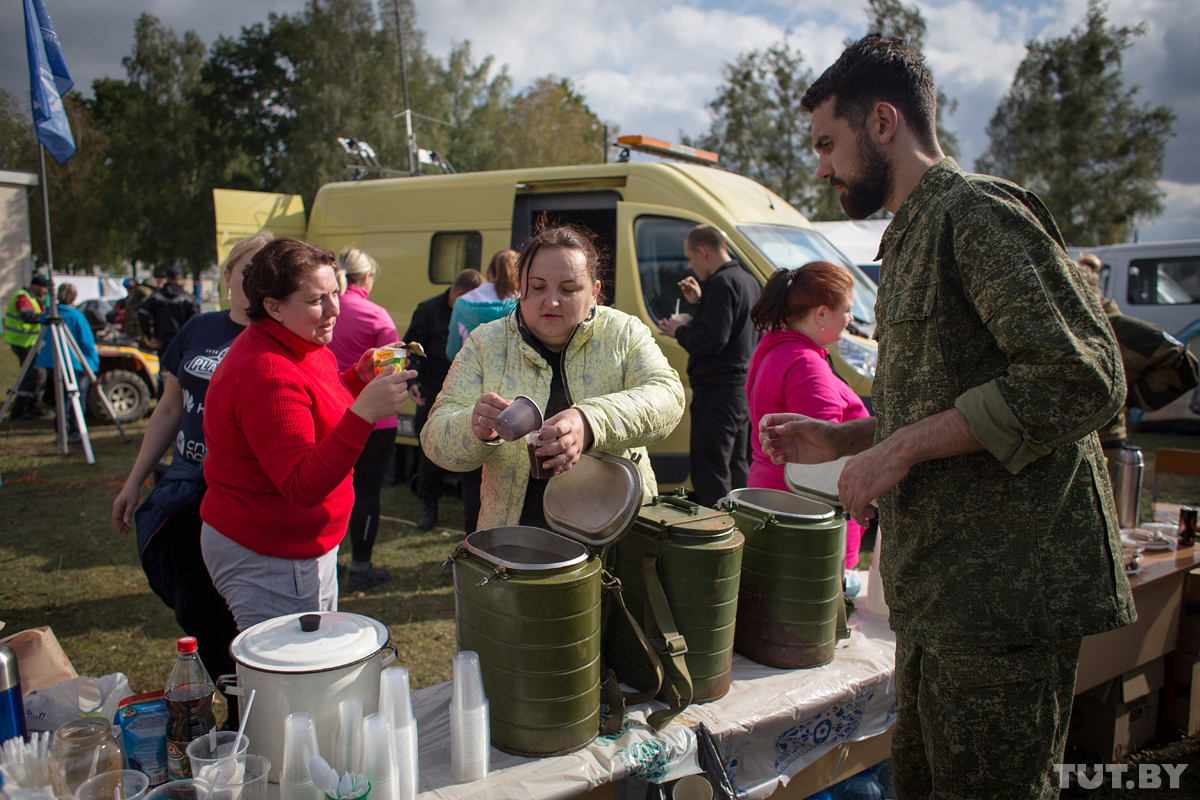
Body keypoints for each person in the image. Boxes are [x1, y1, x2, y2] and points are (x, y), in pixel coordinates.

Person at [760, 35, 1133, 799]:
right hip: (941, 597)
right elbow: (937, 399)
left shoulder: (977, 212)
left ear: (884, 122)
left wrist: (895, 455)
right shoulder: (910, 237)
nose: (822, 166)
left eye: (829, 143)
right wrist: (849, 435)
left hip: (1005, 602)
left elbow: (1082, 375)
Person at [199, 238, 415, 629]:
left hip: (295, 549)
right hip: (271, 556)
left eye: (336, 293)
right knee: (289, 680)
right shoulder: (267, 372)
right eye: (317, 300)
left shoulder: (301, 342)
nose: (334, 309)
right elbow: (301, 485)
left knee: (308, 665)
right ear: (273, 306)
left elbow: (311, 411)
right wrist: (364, 413)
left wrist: (355, 379)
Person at [422, 226, 684, 530]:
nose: (551, 301)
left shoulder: (623, 333)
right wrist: (474, 426)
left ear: (594, 292)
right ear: (519, 288)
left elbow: (668, 397)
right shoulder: (487, 343)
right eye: (537, 287)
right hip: (517, 539)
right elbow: (434, 438)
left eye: (569, 289)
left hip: (618, 536)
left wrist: (589, 422)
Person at [111, 231, 273, 722]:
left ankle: (249, 713)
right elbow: (167, 409)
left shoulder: (278, 338)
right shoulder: (198, 329)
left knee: (242, 616)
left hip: (242, 500)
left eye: (264, 270)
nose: (252, 279)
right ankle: (220, 707)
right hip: (185, 491)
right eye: (244, 269)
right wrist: (135, 479)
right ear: (226, 278)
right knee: (195, 610)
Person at [745, 262, 868, 567]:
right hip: (806, 519)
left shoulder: (777, 348)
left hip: (778, 501)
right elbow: (819, 465)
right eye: (847, 309)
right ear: (822, 314)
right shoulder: (806, 364)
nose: (851, 319)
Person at [657, 224, 760, 507]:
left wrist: (678, 330)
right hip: (740, 392)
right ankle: (743, 524)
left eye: (690, 258)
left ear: (703, 252)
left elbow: (711, 341)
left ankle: (715, 533)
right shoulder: (747, 280)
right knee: (738, 466)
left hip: (716, 394)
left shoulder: (720, 283)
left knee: (710, 471)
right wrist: (700, 304)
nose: (690, 265)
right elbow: (732, 329)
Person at [327, 246, 402, 591]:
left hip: (329, 413)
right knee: (366, 493)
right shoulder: (376, 314)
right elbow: (393, 370)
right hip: (374, 420)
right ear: (367, 278)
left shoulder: (322, 311)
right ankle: (362, 566)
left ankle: (330, 561)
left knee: (327, 490)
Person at [1078, 253, 1199, 449]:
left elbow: (1185, 366)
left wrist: (1128, 399)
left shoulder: (1122, 329)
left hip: (1105, 441)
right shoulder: (1072, 328)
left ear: (1090, 291)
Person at [445, 249, 520, 533]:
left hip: (472, 395)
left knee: (473, 471)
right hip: (513, 396)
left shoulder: (464, 303)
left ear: (489, 273)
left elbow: (452, 349)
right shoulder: (524, 303)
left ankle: (472, 536)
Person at [403, 268, 484, 531]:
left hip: (466, 393)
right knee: (431, 454)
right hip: (431, 391)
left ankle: (469, 512)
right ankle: (429, 507)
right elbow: (410, 347)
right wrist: (411, 381)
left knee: (469, 450)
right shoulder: (427, 310)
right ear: (458, 294)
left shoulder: (473, 310)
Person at [36, 283, 99, 443]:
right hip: (74, 364)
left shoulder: (49, 314)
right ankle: (75, 432)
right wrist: (93, 365)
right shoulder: (76, 316)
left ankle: (61, 432)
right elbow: (86, 342)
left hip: (53, 363)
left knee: (62, 399)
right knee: (76, 399)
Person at [5, 274, 52, 420]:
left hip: (28, 342)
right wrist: (45, 318)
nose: (45, 291)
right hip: (23, 342)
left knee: (35, 375)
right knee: (33, 375)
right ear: (36, 286)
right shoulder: (23, 297)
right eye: (44, 288)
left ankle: (31, 407)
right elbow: (26, 315)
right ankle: (21, 410)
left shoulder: (32, 299)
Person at [138, 267, 199, 360]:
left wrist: (149, 336)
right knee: (182, 370)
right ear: (180, 279)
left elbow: (142, 313)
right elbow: (196, 319)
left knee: (164, 370)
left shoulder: (156, 296)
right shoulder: (189, 298)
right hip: (183, 341)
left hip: (162, 341)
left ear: (167, 278)